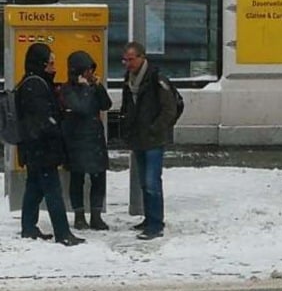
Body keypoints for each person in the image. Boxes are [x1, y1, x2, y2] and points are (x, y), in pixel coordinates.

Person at [16, 43, 84, 246]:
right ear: (41, 63)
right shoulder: (35, 85)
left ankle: (28, 228)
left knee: (34, 187)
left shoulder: (32, 82)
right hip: (42, 149)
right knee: (53, 191)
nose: (54, 68)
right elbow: (43, 119)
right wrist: (58, 127)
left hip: (34, 148)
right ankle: (63, 233)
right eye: (51, 63)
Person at [120, 41, 178, 239]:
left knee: (152, 181)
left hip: (153, 138)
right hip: (139, 138)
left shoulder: (156, 78)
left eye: (131, 59)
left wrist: (155, 128)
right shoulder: (129, 78)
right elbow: (128, 106)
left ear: (142, 57)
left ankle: (155, 224)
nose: (128, 63)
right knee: (144, 182)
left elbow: (169, 109)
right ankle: (149, 218)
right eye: (125, 60)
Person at [61, 50, 113, 231]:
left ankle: (96, 215)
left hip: (95, 138)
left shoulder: (93, 87)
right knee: (77, 179)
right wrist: (84, 88)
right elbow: (80, 108)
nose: (90, 73)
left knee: (99, 178)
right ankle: (79, 215)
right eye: (87, 70)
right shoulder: (67, 89)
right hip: (76, 140)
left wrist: (98, 87)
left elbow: (107, 104)